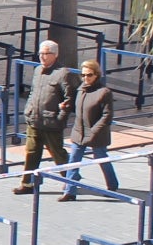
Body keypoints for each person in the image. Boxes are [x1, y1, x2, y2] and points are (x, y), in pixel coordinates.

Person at [15, 41, 75, 193]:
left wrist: (60, 118)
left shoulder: (63, 73)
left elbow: (69, 99)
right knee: (31, 153)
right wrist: (28, 109)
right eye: (40, 53)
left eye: (46, 53)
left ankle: (70, 181)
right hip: (34, 120)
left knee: (58, 154)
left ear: (55, 55)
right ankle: (27, 183)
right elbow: (33, 92)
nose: (42, 56)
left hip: (51, 122)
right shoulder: (37, 70)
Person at [64, 59, 119, 200]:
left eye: (89, 75)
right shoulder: (81, 89)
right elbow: (78, 110)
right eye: (83, 75)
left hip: (96, 134)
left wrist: (94, 131)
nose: (85, 78)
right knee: (74, 160)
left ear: (96, 75)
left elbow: (107, 116)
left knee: (101, 158)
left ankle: (112, 185)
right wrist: (66, 107)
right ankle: (70, 191)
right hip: (78, 132)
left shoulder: (104, 92)